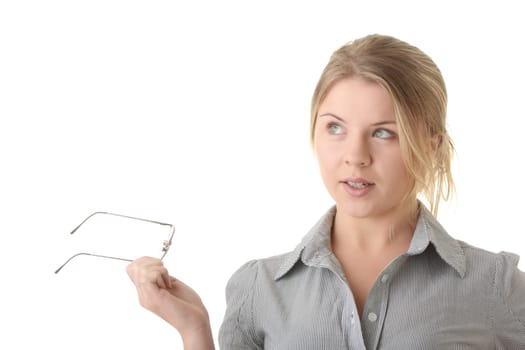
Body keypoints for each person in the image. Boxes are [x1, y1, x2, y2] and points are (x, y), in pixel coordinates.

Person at [126, 34, 525, 349]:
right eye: (335, 127)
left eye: (383, 133)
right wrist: (194, 332)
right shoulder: (259, 288)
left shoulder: (497, 287)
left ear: (431, 143)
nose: (355, 157)